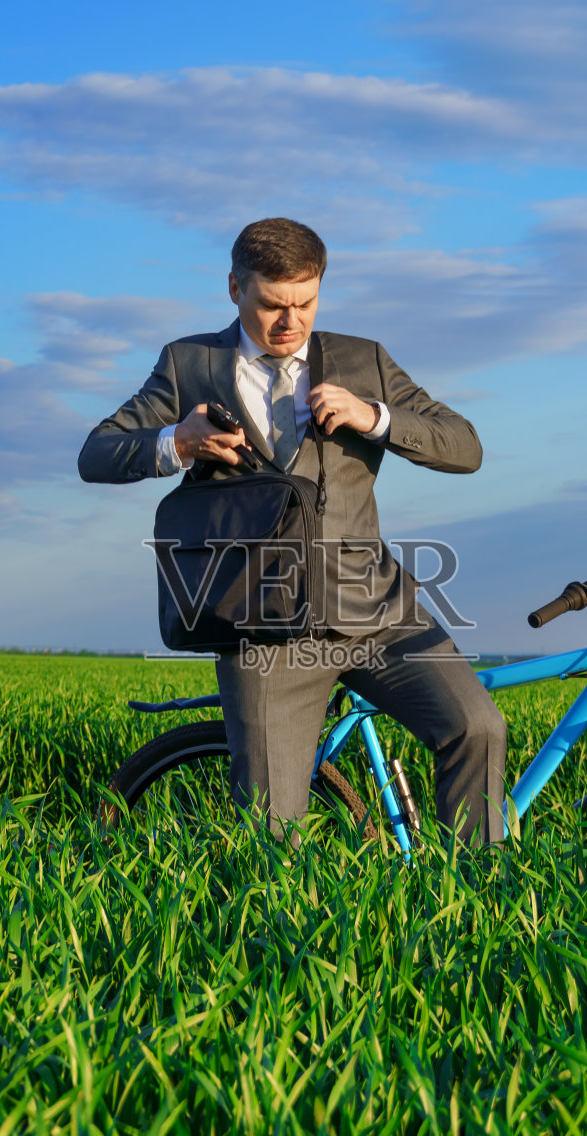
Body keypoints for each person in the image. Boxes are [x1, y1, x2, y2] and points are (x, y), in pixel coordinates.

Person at [78, 217, 507, 842]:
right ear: (234, 289)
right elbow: (97, 454)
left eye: (305, 303)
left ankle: (478, 901)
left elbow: (464, 447)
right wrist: (178, 442)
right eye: (272, 305)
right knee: (274, 833)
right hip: (262, 629)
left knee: (478, 727)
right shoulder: (188, 363)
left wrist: (376, 417)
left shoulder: (367, 361)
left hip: (379, 612)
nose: (291, 322)